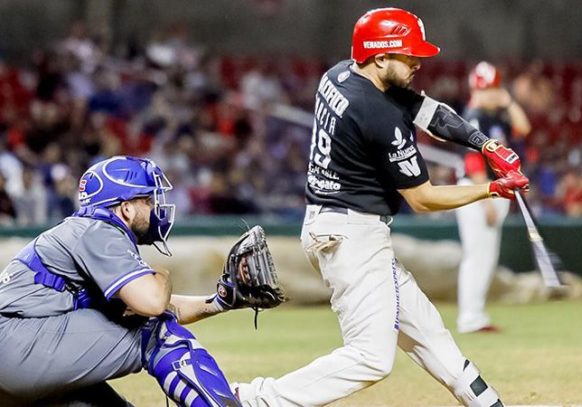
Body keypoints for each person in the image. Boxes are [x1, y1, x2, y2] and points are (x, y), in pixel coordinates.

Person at [233, 8, 529, 407]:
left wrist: (486, 145)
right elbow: (422, 198)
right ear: (380, 55)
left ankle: (487, 402)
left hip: (336, 224)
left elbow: (431, 113)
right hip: (351, 235)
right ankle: (251, 400)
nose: (417, 62)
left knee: (429, 333)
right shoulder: (378, 114)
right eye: (408, 54)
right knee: (371, 357)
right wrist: (491, 189)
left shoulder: (339, 74)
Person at [0, 156, 266, 406]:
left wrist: (219, 302)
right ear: (126, 208)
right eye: (147, 200)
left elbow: (152, 307)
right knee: (157, 331)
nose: (155, 207)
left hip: (18, 354)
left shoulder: (85, 233)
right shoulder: (100, 230)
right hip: (15, 346)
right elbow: (153, 305)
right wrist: (163, 275)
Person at [456, 61, 531, 334]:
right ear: (476, 90)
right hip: (478, 191)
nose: (491, 93)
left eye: (494, 88)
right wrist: (486, 199)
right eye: (486, 88)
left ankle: (476, 315)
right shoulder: (473, 117)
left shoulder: (496, 117)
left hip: (492, 191)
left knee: (487, 257)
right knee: (476, 257)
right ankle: (469, 317)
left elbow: (524, 128)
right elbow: (473, 162)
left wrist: (508, 101)